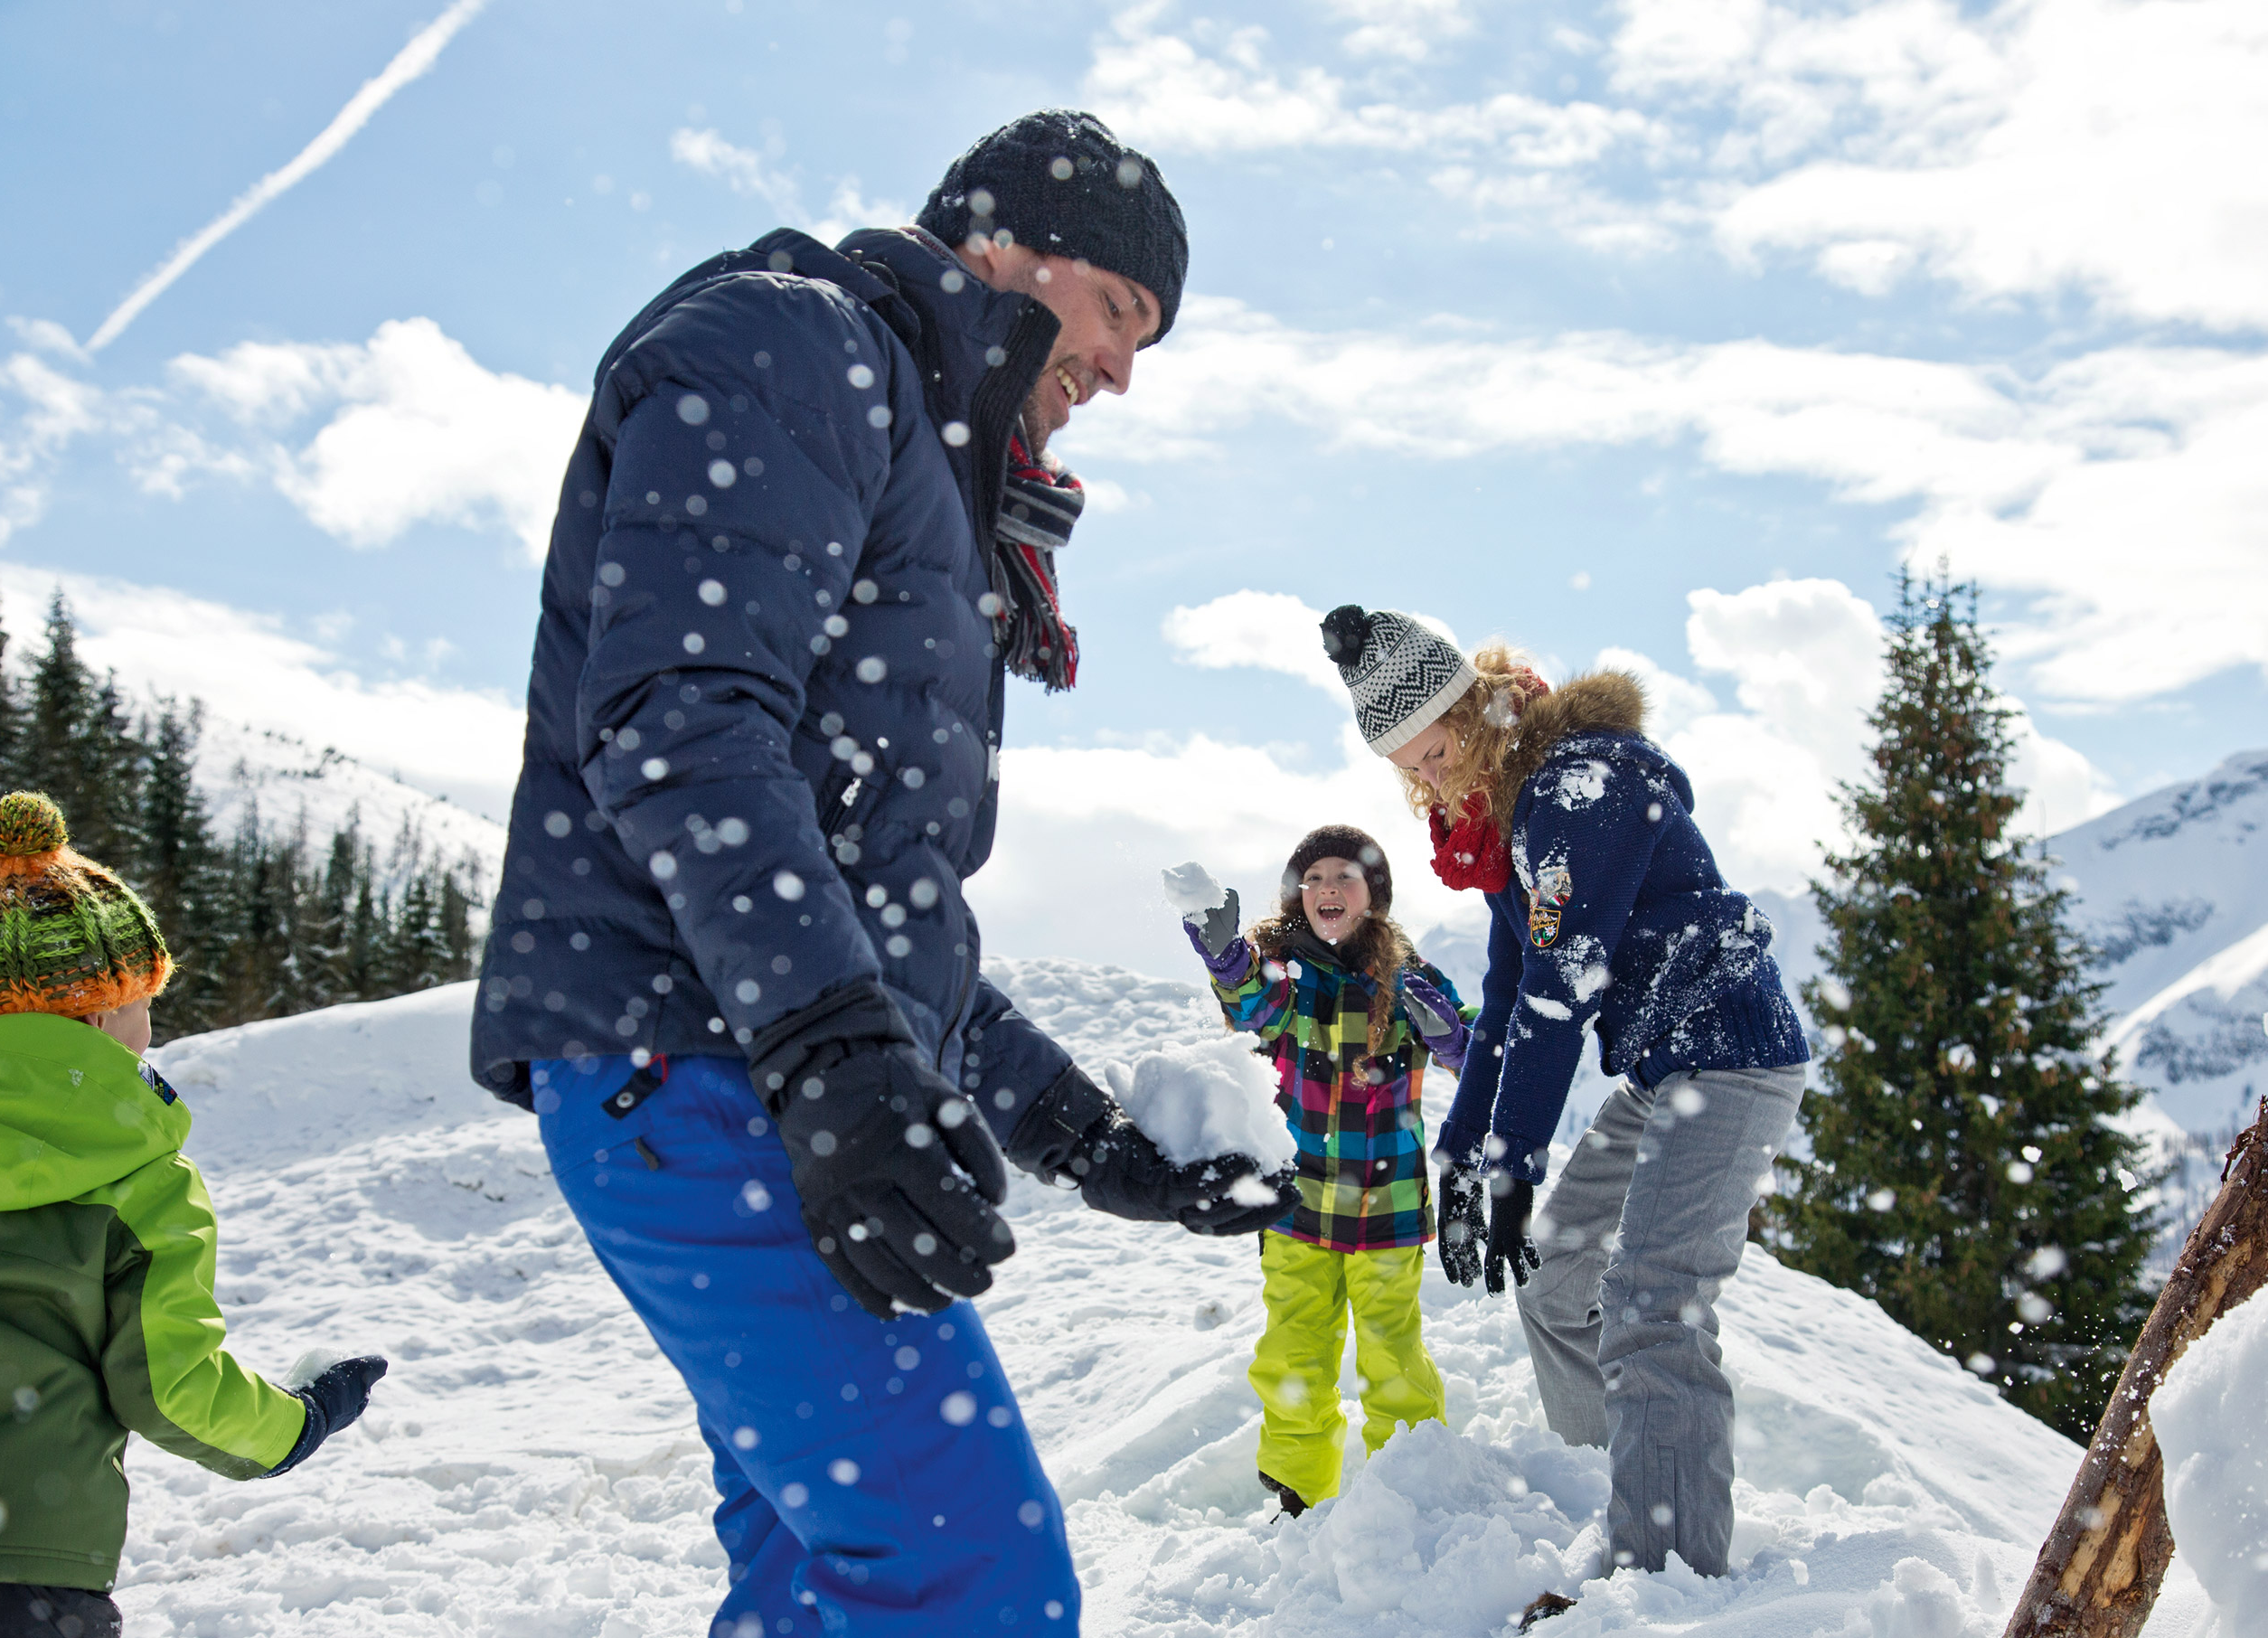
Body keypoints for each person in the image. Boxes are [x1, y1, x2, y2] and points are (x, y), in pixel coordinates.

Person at [469, 110, 1295, 1637]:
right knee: (969, 1578)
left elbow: (883, 906)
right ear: (1012, 242)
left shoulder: (911, 439)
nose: (1123, 372)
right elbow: (684, 715)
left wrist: (1092, 1141)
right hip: (698, 1062)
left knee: (817, 1583)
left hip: (741, 1062)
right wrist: (830, 1053)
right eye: (1121, 312)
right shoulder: (798, 347)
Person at [1319, 607, 1810, 1608]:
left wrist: (1516, 1164)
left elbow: (1560, 988)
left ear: (1473, 709)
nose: (1434, 779)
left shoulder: (1578, 784)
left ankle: (1662, 1579)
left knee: (1651, 1301)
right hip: (1665, 1070)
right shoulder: (1509, 819)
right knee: (1557, 1284)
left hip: (1729, 1053)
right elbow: (1505, 998)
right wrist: (1463, 1161)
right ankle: (1619, 1497)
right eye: (1413, 769)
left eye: (1439, 750)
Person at [0, 792, 385, 1638]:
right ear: (97, 1015)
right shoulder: (136, 1178)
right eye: (145, 1002)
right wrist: (298, 1424)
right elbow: (172, 1389)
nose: (150, 1028)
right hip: (22, 1576)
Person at [1179, 827, 1469, 1517]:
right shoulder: (1286, 973)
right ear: (1297, 896)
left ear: (1374, 894)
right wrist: (1225, 957)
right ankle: (1300, 1494)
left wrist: (1452, 1034)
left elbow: (1473, 1056)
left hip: (1388, 1203)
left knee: (1393, 1353)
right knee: (1295, 1352)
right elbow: (1249, 1001)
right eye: (1313, 878)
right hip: (1298, 1205)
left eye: (1344, 875)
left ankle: (1413, 1488)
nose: (1327, 888)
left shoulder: (1409, 976)